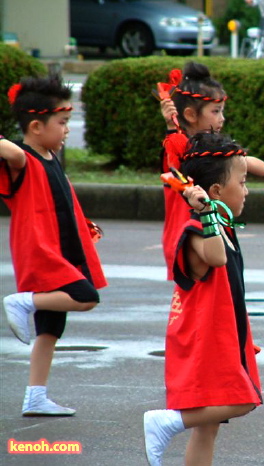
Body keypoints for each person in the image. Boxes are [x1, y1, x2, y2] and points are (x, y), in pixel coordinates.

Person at [143, 133, 262, 466]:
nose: (247, 189)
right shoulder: (198, 229)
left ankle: (174, 424)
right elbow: (217, 258)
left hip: (221, 337)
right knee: (245, 399)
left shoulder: (222, 225)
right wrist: (207, 213)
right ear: (216, 192)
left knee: (208, 426)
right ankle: (167, 421)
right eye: (242, 181)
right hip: (203, 340)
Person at [1, 75, 107, 416]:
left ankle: (35, 396)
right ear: (35, 125)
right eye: (62, 123)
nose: (66, 130)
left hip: (59, 248)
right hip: (40, 249)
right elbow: (9, 150)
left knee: (51, 327)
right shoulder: (23, 157)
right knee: (85, 296)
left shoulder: (49, 156)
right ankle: (23, 301)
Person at [159, 62, 264, 279]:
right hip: (191, 233)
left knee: (225, 292)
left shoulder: (209, 148)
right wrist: (171, 126)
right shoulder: (178, 148)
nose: (222, 118)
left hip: (212, 233)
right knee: (202, 301)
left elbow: (243, 161)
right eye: (216, 111)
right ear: (191, 115)